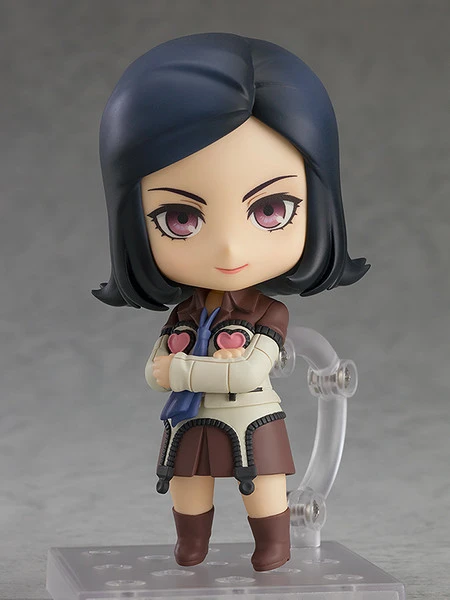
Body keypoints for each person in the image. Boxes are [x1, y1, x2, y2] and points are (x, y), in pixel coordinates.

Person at [94, 33, 369, 572]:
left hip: (251, 415)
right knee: (186, 482)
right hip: (188, 418)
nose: (228, 248)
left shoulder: (268, 313)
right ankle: (190, 545)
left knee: (263, 481)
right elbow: (153, 372)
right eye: (181, 218)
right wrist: (189, 370)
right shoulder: (184, 313)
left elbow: (245, 373)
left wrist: (183, 370)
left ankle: (274, 544)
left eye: (270, 210)